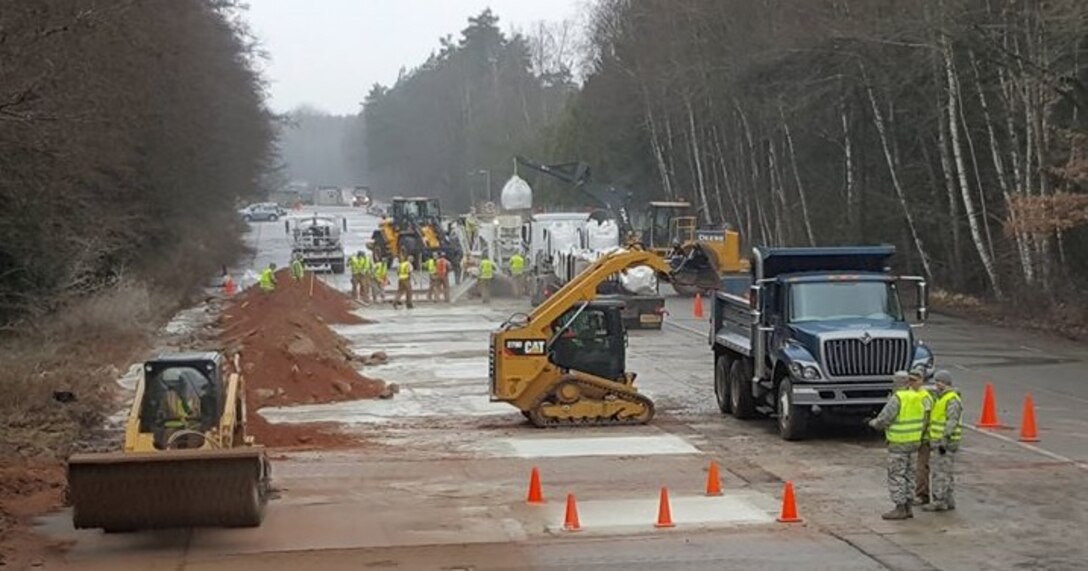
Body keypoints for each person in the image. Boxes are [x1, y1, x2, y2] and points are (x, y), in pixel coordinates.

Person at [868, 370, 927, 520]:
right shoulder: (917, 396)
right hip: (914, 442)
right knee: (910, 474)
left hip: (899, 442)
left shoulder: (897, 398)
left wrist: (872, 423)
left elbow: (884, 419)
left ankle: (900, 507)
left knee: (897, 475)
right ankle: (908, 506)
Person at [924, 370, 963, 512]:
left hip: (944, 443)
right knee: (946, 471)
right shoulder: (944, 398)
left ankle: (939, 500)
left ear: (944, 383)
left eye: (937, 382)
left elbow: (951, 422)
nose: (936, 385)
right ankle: (948, 499)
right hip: (942, 441)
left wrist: (943, 440)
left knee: (940, 472)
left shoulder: (951, 400)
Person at [914, 369, 936, 506]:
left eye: (915, 380)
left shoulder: (924, 397)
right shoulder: (910, 395)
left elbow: (926, 419)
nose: (912, 383)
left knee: (921, 467)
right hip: (911, 437)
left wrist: (921, 435)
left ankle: (922, 495)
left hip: (923, 438)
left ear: (921, 381)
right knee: (915, 467)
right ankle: (918, 492)